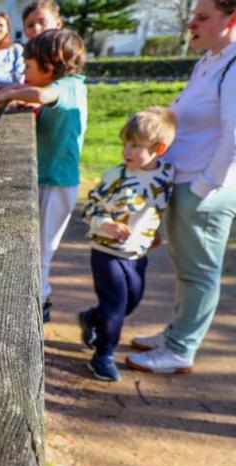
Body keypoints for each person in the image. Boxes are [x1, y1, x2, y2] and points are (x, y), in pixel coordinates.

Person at [127, 0, 236, 374]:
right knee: (185, 267)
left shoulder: (234, 66)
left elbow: (234, 136)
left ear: (231, 20)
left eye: (203, 18)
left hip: (205, 188)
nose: (193, 24)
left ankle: (180, 349)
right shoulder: (209, 63)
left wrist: (206, 186)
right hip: (186, 181)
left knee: (199, 272)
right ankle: (177, 333)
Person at [0, 28, 87, 323]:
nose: (24, 72)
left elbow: (43, 94)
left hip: (56, 184)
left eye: (28, 67)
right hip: (50, 180)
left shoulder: (67, 86)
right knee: (38, 247)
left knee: (42, 250)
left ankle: (36, 305)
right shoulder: (70, 86)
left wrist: (11, 92)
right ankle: (35, 299)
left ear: (49, 65)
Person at [78, 108, 177, 381]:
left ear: (159, 148)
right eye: (125, 143)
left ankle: (91, 317)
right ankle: (103, 354)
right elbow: (90, 208)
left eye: (135, 145)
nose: (127, 151)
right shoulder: (115, 177)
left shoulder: (166, 175)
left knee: (130, 302)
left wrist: (153, 233)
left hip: (137, 253)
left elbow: (157, 207)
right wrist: (106, 224)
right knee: (115, 304)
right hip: (106, 252)